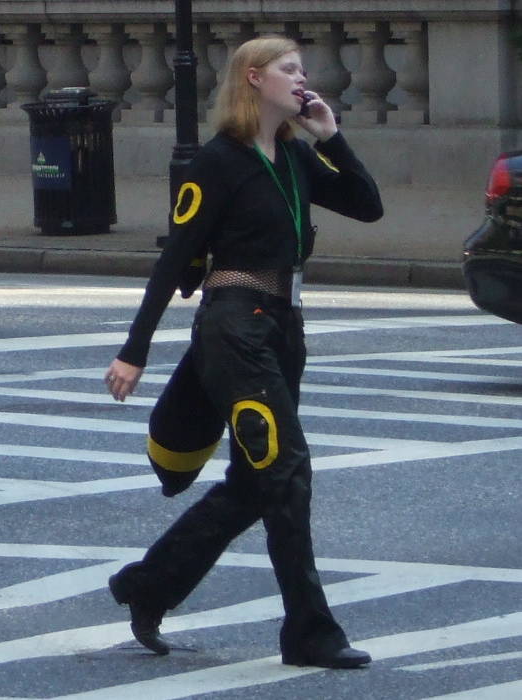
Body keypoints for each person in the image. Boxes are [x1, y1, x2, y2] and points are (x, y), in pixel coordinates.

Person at [105, 35, 383, 668]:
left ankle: (147, 586)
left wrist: (330, 137)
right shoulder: (217, 162)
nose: (302, 79)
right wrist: (134, 351)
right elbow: (173, 258)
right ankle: (310, 633)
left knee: (259, 482)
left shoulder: (292, 157)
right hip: (234, 327)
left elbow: (369, 207)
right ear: (253, 80)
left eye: (302, 70)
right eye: (290, 70)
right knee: (286, 471)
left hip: (284, 330)